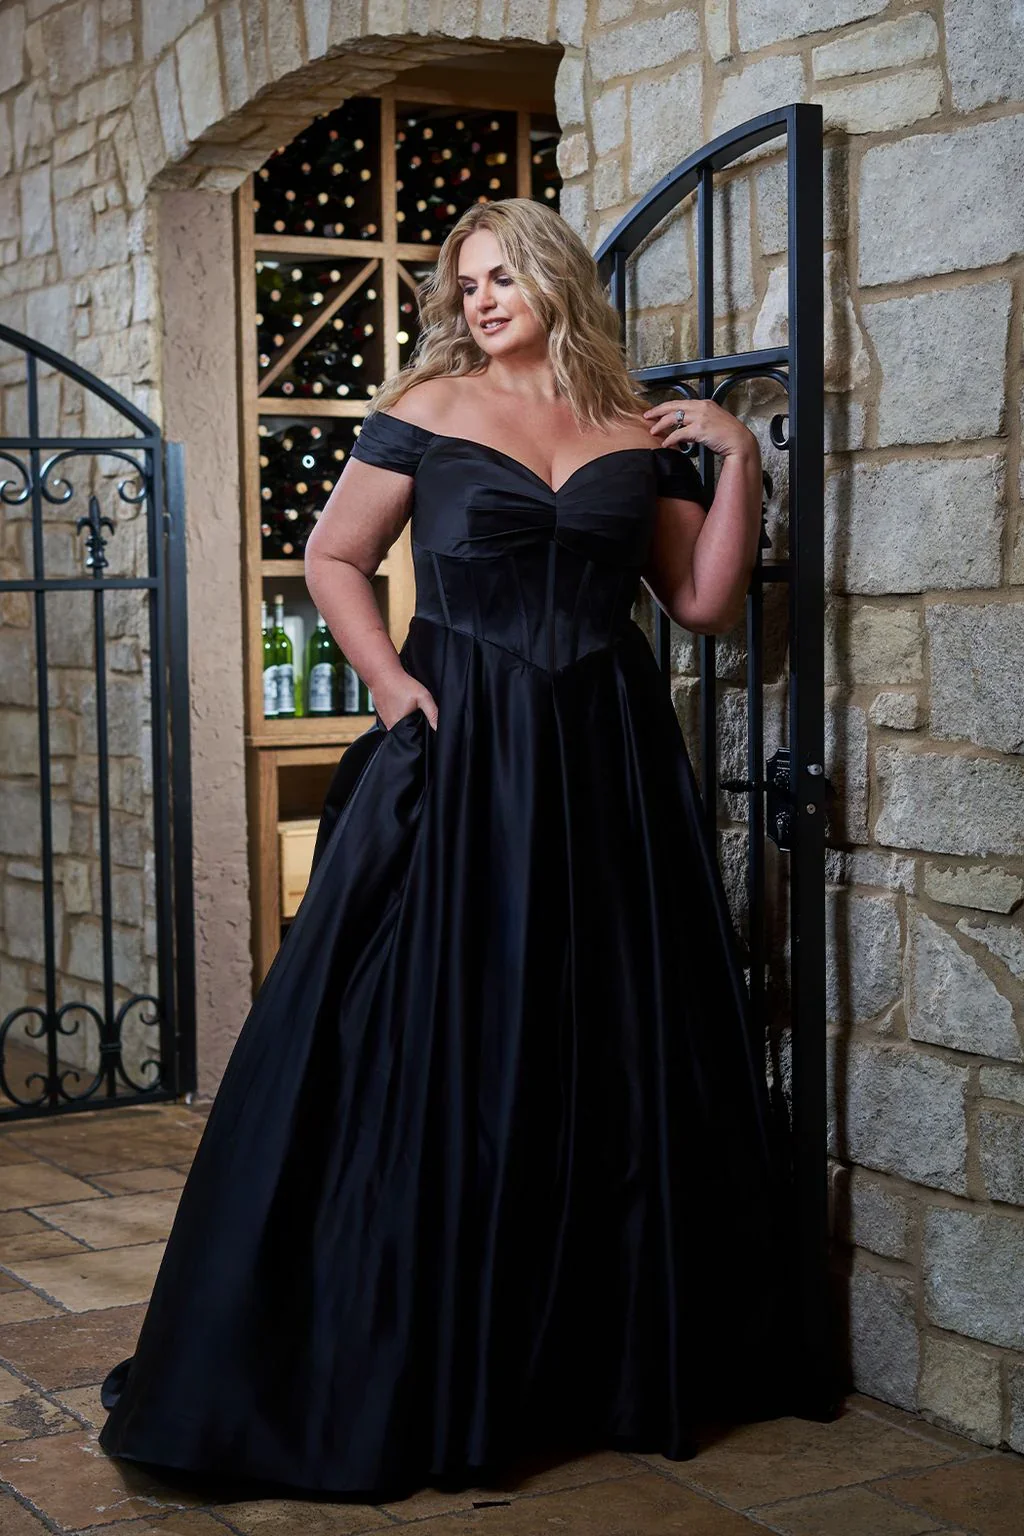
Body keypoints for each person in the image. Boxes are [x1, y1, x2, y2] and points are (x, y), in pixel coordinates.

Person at [98, 196, 798, 1500]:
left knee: (605, 1038)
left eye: (499, 277)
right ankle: (418, 1347)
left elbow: (701, 603)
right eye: (465, 283)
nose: (479, 300)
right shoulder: (427, 405)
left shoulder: (628, 426)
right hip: (462, 745)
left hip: (606, 765)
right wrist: (389, 686)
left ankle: (582, 1361)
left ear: (552, 279)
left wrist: (737, 455)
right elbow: (334, 556)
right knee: (440, 1031)